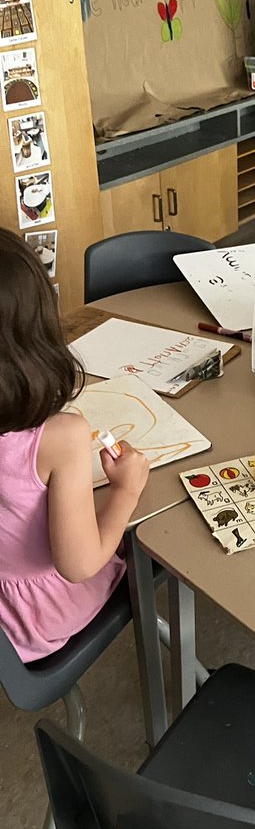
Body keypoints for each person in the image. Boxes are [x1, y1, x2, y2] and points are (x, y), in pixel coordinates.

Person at [0, 229, 149, 663]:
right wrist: (126, 490)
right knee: (145, 540)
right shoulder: (58, 437)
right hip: (33, 618)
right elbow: (79, 565)